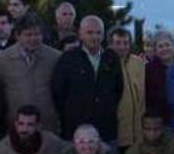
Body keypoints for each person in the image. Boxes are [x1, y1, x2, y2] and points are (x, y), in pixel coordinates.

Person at [51, 16, 122, 144]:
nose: (94, 37)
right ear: (80, 34)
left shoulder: (111, 59)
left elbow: (118, 90)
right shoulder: (68, 59)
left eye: (98, 32)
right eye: (89, 32)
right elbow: (58, 93)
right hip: (75, 130)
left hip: (105, 129)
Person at [0, 13, 61, 132]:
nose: (34, 38)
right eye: (28, 35)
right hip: (15, 127)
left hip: (48, 126)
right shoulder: (2, 60)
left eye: (37, 34)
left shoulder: (55, 57)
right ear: (18, 36)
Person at [108, 27, 145, 152]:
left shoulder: (139, 63)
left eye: (126, 43)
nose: (122, 47)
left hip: (138, 132)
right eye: (118, 43)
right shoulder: (105, 64)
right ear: (110, 44)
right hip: (116, 133)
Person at [144, 30, 174, 122]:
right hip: (160, 122)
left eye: (167, 45)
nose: (164, 49)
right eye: (160, 46)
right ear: (155, 50)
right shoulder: (148, 70)